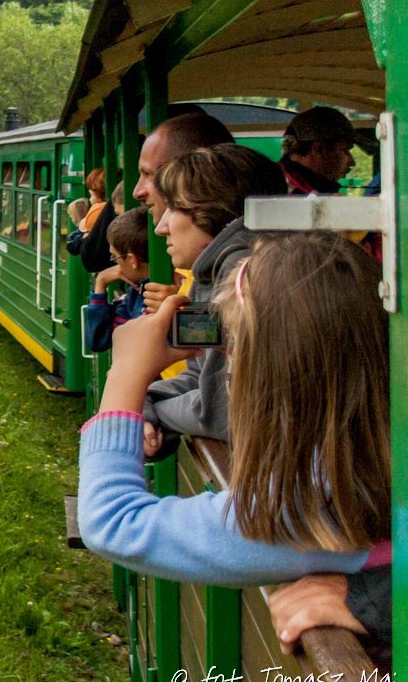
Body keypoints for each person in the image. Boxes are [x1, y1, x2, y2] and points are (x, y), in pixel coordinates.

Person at [78, 232, 390, 589]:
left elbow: (113, 522)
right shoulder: (370, 468)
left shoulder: (312, 504)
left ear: (272, 371)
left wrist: (125, 374)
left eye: (235, 345)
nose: (225, 355)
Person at [142, 144, 286, 445]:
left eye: (174, 207)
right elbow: (200, 377)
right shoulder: (208, 273)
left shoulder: (244, 276)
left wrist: (153, 412)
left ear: (212, 210)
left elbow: (221, 412)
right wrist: (145, 401)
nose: (161, 227)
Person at [84, 208, 149, 354]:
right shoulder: (135, 292)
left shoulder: (140, 297)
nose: (115, 265)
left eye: (115, 257)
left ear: (132, 260)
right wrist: (101, 281)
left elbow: (99, 339)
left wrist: (99, 286)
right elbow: (98, 341)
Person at [281, 106, 357, 195]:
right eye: (345, 150)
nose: (352, 162)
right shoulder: (291, 194)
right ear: (319, 149)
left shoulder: (281, 182)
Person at [67, 168, 107, 255]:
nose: (90, 199)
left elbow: (73, 246)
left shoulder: (97, 209)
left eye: (91, 195)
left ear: (102, 196)